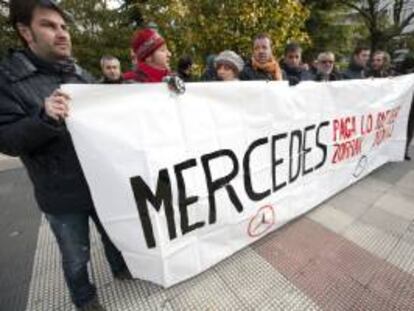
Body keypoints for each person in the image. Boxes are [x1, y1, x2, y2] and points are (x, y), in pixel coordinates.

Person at [0, 1, 130, 310]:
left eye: (64, 27)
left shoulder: (78, 72)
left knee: (113, 233)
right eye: (49, 25)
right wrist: (42, 119)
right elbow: (7, 139)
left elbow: (107, 110)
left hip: (98, 183)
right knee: (76, 255)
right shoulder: (8, 80)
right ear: (25, 32)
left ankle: (121, 268)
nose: (61, 34)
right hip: (60, 194)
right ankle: (84, 298)